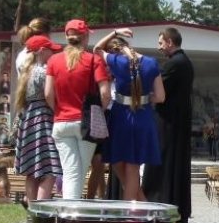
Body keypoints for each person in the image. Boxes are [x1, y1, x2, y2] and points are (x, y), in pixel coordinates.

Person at [93, 28, 165, 201]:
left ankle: (130, 212)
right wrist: (143, 98)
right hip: (143, 116)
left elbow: (96, 49)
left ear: (113, 51)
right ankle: (141, 206)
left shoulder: (116, 61)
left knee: (118, 162)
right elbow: (161, 97)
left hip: (120, 117)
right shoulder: (151, 63)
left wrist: (115, 32)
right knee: (133, 168)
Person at [45, 19, 111, 200]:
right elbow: (105, 93)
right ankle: (70, 212)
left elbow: (48, 93)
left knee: (72, 171)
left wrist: (58, 110)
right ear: (85, 36)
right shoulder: (94, 60)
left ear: (67, 37)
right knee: (77, 171)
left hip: (61, 122)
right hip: (85, 123)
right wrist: (98, 112)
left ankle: (70, 210)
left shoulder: (53, 60)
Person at [142, 27, 194, 223]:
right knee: (175, 165)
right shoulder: (185, 62)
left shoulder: (174, 63)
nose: (159, 47)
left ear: (170, 42)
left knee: (162, 163)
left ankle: (158, 204)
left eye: (161, 43)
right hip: (177, 121)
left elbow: (158, 91)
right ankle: (177, 207)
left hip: (168, 122)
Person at [14, 35, 64, 202]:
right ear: (42, 51)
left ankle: (31, 207)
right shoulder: (44, 72)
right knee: (50, 169)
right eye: (51, 50)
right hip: (43, 118)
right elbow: (50, 95)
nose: (53, 54)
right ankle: (41, 208)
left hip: (28, 119)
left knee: (32, 170)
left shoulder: (26, 71)